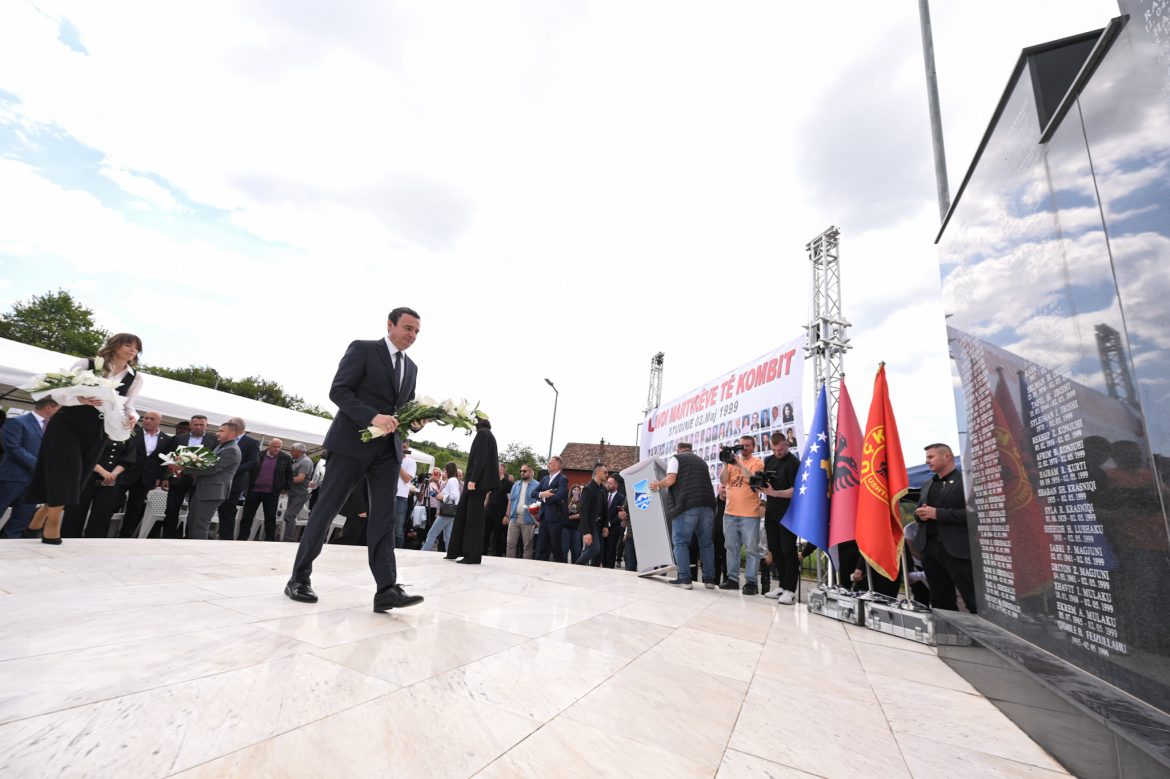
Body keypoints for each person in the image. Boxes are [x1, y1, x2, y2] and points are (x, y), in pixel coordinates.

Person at [287, 307, 425, 613]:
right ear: (390, 325)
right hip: (351, 444)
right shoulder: (363, 349)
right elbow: (339, 390)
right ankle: (298, 578)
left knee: (384, 518)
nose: (412, 335)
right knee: (326, 511)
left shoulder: (412, 367)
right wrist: (372, 416)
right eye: (408, 328)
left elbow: (404, 409)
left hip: (387, 452)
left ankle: (386, 589)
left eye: (417, 331)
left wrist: (415, 422)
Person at [24, 333, 144, 544]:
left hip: (98, 430)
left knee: (79, 478)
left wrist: (133, 417)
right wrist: (79, 398)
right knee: (68, 472)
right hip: (67, 425)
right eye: (128, 345)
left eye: (136, 347)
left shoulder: (136, 378)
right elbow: (59, 393)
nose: (133, 350)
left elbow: (128, 405)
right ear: (114, 346)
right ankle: (53, 524)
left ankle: (42, 513)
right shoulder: (86, 364)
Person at [912, 443, 975, 613]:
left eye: (931, 457)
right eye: (926, 457)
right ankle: (945, 627)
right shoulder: (927, 484)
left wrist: (938, 514)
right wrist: (920, 515)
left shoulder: (966, 481)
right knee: (940, 599)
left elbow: (974, 514)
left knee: (973, 599)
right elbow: (918, 512)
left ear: (947, 456)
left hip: (958, 550)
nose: (927, 461)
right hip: (929, 549)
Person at [651, 442, 716, 589]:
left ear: (678, 450)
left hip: (687, 505)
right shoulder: (702, 462)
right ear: (691, 450)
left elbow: (671, 479)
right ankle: (709, 580)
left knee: (680, 542)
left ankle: (685, 579)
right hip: (708, 505)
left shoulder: (676, 458)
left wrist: (657, 485)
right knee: (706, 544)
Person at [0, 399, 59, 538]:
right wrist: (39, 466)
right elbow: (13, 448)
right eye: (59, 408)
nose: (60, 412)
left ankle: (9, 544)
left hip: (34, 482)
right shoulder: (17, 422)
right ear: (49, 408)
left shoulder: (53, 427)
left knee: (21, 519)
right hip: (12, 478)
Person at [446, 415, 499, 564]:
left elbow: (480, 458)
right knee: (463, 515)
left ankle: (471, 555)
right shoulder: (488, 434)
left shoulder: (482, 434)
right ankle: (455, 551)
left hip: (476, 484)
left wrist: (473, 480)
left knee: (472, 519)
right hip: (477, 483)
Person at [61, 436, 136, 538]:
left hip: (110, 481)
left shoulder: (126, 435)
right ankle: (69, 538)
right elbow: (83, 453)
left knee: (102, 514)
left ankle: (94, 540)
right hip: (87, 477)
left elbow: (128, 458)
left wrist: (113, 474)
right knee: (76, 511)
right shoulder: (94, 431)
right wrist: (102, 471)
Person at [718, 434, 765, 594]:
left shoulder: (757, 462)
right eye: (741, 445)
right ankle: (732, 579)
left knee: (751, 549)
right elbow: (723, 480)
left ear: (753, 447)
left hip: (749, 514)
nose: (744, 448)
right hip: (730, 512)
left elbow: (753, 480)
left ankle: (751, 582)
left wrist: (738, 463)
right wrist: (726, 463)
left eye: (747, 445)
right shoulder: (731, 464)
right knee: (731, 547)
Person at [185, 418, 243, 540]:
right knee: (192, 523)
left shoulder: (231, 450)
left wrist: (183, 467)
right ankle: (191, 546)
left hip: (211, 493)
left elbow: (211, 469)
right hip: (203, 490)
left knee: (199, 526)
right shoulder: (221, 446)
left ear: (232, 433)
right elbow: (205, 465)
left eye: (221, 431)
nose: (217, 433)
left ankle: (196, 550)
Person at [760, 432, 800, 602]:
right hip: (771, 512)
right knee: (775, 549)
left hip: (788, 513)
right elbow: (767, 483)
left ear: (787, 445)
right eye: (774, 450)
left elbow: (796, 491)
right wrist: (760, 485)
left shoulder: (794, 463)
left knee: (788, 550)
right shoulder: (768, 460)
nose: (777, 453)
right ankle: (782, 586)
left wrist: (775, 493)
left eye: (780, 450)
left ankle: (790, 590)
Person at [159, 415, 214, 538]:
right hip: (178, 478)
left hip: (199, 480)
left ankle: (189, 538)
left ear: (207, 426)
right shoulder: (179, 439)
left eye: (202, 425)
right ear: (190, 425)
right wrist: (166, 477)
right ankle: (168, 537)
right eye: (196, 424)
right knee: (171, 509)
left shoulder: (213, 440)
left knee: (194, 512)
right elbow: (170, 458)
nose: (198, 427)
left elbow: (213, 461)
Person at [119, 410, 171, 538]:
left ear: (160, 421)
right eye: (146, 418)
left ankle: (125, 537)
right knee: (113, 504)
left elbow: (163, 461)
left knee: (134, 509)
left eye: (152, 419)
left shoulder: (166, 439)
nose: (147, 421)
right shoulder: (132, 432)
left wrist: (159, 477)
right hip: (125, 474)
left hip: (146, 478)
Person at [239, 438, 292, 541]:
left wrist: (286, 487)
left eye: (279, 447)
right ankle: (242, 538)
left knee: (270, 518)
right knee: (247, 516)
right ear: (269, 446)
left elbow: (289, 474)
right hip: (254, 490)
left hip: (272, 493)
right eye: (275, 447)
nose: (277, 449)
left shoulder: (285, 458)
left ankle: (270, 540)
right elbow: (249, 470)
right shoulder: (259, 455)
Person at [217, 428, 259, 541]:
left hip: (234, 484)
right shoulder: (222, 439)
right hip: (216, 481)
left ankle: (225, 541)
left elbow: (253, 462)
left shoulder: (251, 442)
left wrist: (233, 469)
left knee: (227, 515)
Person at [536, 456, 569, 563]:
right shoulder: (545, 479)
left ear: (557, 465)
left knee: (556, 545)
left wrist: (544, 498)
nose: (548, 465)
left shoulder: (562, 479)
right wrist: (542, 494)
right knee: (542, 545)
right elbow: (533, 493)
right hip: (544, 517)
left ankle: (560, 566)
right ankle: (541, 565)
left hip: (556, 518)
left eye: (550, 463)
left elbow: (560, 495)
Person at [422, 461, 460, 551]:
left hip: (446, 512)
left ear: (448, 471)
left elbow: (455, 496)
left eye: (445, 470)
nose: (443, 472)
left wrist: (442, 497)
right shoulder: (454, 480)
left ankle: (423, 552)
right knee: (447, 537)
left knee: (432, 534)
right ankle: (449, 554)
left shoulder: (451, 481)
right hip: (451, 512)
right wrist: (440, 494)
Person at [575, 464, 608, 565]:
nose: (607, 474)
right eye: (605, 472)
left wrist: (605, 526)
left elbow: (605, 510)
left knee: (599, 555)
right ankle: (576, 566)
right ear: (598, 472)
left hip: (600, 525)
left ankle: (591, 573)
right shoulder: (588, 489)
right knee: (594, 548)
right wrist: (586, 532)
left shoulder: (604, 489)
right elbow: (584, 512)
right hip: (591, 525)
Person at [504, 463, 538, 558]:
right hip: (514, 519)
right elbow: (510, 501)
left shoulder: (537, 485)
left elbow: (540, 503)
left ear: (531, 472)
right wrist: (507, 515)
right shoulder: (516, 485)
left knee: (527, 547)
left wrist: (537, 520)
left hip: (529, 520)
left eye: (524, 471)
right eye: (521, 471)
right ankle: (509, 564)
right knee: (510, 545)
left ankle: (526, 566)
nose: (522, 473)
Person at [282, 443, 314, 542]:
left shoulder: (305, 461)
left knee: (289, 515)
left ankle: (288, 540)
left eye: (293, 450)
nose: (291, 452)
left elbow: (300, 478)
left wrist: (283, 481)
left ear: (299, 451)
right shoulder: (297, 460)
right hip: (294, 492)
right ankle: (287, 538)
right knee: (289, 516)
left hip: (300, 493)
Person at [484, 464, 511, 556]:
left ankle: (499, 556)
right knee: (485, 535)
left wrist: (507, 515)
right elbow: (487, 496)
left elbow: (510, 500)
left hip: (500, 515)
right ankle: (482, 554)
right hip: (488, 513)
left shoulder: (508, 483)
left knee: (498, 537)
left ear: (503, 470)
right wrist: (484, 509)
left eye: (497, 467)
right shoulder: (492, 482)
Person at [602, 476, 626, 568]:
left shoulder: (621, 498)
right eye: (607, 482)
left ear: (615, 485)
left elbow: (620, 515)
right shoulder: (603, 495)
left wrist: (609, 524)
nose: (607, 484)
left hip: (613, 530)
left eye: (610, 483)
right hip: (602, 529)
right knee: (602, 553)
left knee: (610, 553)